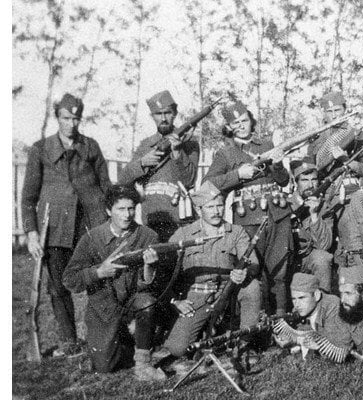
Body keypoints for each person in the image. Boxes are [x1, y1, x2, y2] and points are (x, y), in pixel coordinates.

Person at [21, 93, 111, 357]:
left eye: (76, 118)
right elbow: (27, 198)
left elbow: (106, 186)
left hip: (90, 228)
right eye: (66, 118)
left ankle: (104, 334)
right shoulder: (40, 149)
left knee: (100, 280)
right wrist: (31, 233)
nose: (71, 123)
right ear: (56, 117)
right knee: (58, 287)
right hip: (55, 231)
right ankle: (69, 340)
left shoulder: (90, 147)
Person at [62, 185, 165, 380]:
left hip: (134, 299)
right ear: (109, 211)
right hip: (104, 307)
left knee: (147, 303)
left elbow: (152, 285)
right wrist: (98, 272)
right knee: (105, 366)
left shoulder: (147, 236)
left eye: (131, 208)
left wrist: (149, 267)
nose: (127, 215)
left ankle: (143, 362)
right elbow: (69, 279)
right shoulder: (92, 238)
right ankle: (124, 339)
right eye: (121, 209)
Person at [203, 100, 292, 316]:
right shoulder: (225, 154)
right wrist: (237, 175)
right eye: (236, 123)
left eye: (245, 120)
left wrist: (278, 164)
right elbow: (206, 187)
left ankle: (279, 320)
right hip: (247, 220)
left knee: (279, 272)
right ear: (229, 127)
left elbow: (282, 181)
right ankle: (250, 324)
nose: (242, 126)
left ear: (251, 121)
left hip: (278, 215)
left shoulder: (268, 144)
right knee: (251, 272)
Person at [160, 181, 261, 362]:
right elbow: (165, 274)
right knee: (177, 348)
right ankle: (211, 334)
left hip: (229, 291)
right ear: (199, 210)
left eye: (220, 205)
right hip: (196, 295)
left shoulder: (236, 232)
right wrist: (175, 301)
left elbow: (253, 263)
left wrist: (245, 272)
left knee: (252, 287)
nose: (216, 211)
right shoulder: (183, 235)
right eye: (210, 207)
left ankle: (245, 344)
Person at [118, 90, 200, 241]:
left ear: (174, 113)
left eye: (167, 113)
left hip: (179, 220)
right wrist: (142, 163)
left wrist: (178, 151)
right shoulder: (146, 145)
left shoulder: (189, 144)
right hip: (151, 219)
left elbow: (189, 180)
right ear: (152, 116)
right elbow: (123, 180)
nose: (163, 118)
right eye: (158, 114)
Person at [288, 159, 333, 292]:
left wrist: (314, 215)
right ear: (296, 182)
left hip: (310, 258)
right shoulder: (286, 205)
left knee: (322, 258)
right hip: (290, 259)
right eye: (304, 180)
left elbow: (324, 246)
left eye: (314, 180)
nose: (310, 185)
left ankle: (324, 300)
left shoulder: (324, 207)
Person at [306, 91, 363, 181]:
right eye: (329, 111)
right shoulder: (316, 137)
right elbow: (310, 168)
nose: (333, 116)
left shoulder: (358, 135)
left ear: (345, 110)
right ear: (324, 113)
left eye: (337, 110)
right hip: (321, 186)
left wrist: (345, 160)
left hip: (348, 186)